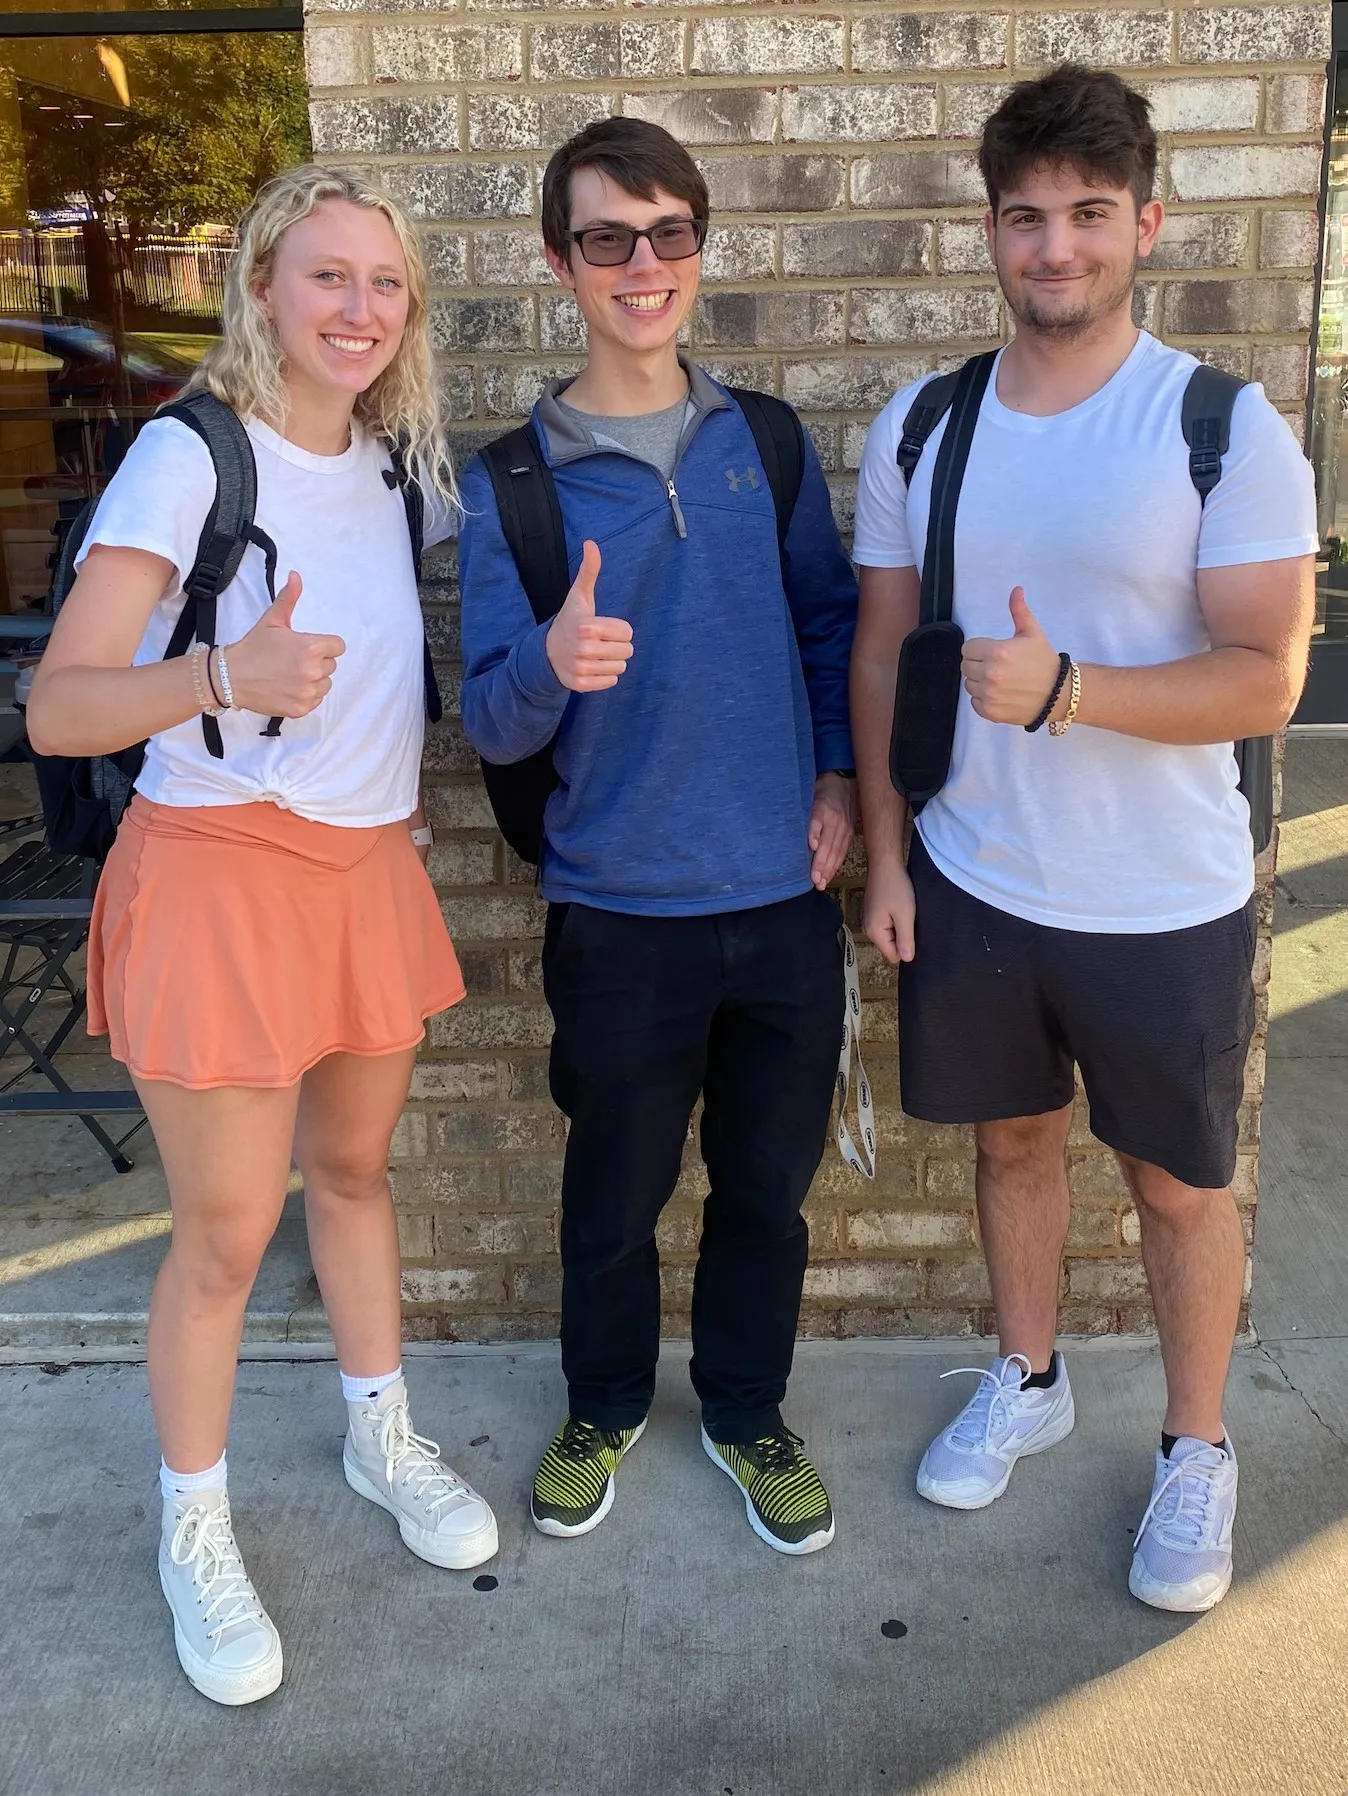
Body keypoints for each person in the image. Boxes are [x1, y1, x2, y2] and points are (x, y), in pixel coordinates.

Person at [26, 165, 498, 1706]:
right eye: (328, 276)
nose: (360, 308)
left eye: (386, 282)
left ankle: (381, 1437)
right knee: (227, 1236)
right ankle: (195, 1527)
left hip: (362, 875)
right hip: (219, 878)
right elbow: (60, 705)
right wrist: (224, 674)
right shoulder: (190, 457)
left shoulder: (399, 469)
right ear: (263, 290)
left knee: (354, 1177)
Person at [849, 65, 1316, 1612]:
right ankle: (1030, 1378)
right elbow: (883, 653)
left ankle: (1196, 1446)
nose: (1057, 246)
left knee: (1178, 1186)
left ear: (1146, 224)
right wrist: (891, 857)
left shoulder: (1218, 428)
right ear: (991, 231)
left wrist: (1072, 693)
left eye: (1090, 214)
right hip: (977, 878)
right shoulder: (924, 426)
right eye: (1028, 216)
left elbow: (1266, 679)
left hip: (1163, 898)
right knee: (1014, 1145)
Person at [458, 118, 859, 1556]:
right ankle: (604, 1406)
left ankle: (748, 1414)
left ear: (700, 247)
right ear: (559, 261)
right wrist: (549, 663)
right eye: (607, 238)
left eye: (669, 233)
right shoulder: (514, 481)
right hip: (619, 909)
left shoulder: (765, 442)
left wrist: (838, 779)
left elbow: (827, 630)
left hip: (783, 898)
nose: (643, 265)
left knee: (767, 1194)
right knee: (613, 1203)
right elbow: (488, 717)